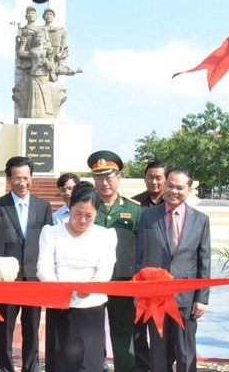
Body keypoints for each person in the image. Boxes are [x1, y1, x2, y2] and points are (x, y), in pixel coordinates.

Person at [37, 182, 117, 371]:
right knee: (61, 360)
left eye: (89, 216)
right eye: (77, 214)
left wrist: (91, 286)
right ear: (69, 208)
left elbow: (106, 268)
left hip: (92, 305)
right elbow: (44, 268)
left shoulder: (105, 235)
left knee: (88, 361)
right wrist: (63, 290)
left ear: (97, 213)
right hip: (60, 304)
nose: (82, 220)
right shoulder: (51, 232)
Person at [136, 168, 211, 372]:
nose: (174, 191)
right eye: (170, 185)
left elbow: (204, 260)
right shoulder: (148, 216)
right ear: (164, 185)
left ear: (189, 189)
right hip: (156, 297)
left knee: (186, 352)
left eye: (180, 187)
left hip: (186, 297)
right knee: (158, 351)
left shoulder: (201, 220)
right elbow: (140, 257)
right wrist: (139, 293)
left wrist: (201, 298)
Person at [0, 156, 53, 372]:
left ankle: (30, 368)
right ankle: (6, 369)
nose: (22, 182)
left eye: (26, 177)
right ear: (8, 179)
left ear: (31, 178)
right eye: (17, 178)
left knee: (32, 329)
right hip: (7, 279)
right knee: (4, 330)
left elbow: (48, 242)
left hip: (33, 278)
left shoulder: (43, 206)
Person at [87, 150, 142, 372]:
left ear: (119, 178)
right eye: (99, 177)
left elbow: (141, 248)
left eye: (109, 176)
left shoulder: (134, 209)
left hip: (123, 281)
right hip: (92, 280)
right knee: (91, 330)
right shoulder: (87, 208)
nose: (104, 182)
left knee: (123, 331)